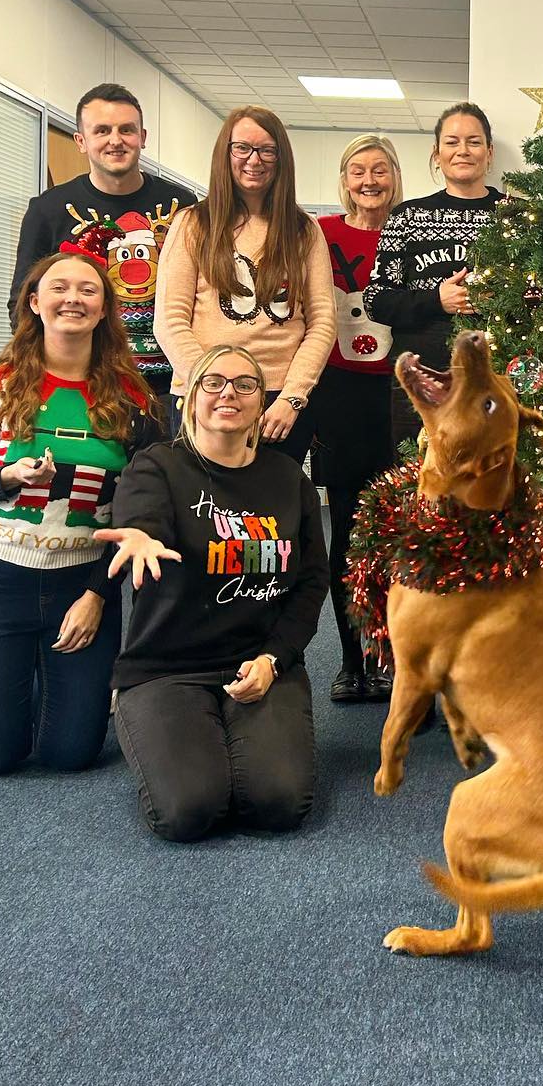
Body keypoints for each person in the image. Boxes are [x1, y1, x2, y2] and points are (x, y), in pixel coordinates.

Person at [0, 252, 159, 776]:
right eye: (59, 288)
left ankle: (29, 679)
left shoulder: (132, 401)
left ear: (105, 310)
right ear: (35, 302)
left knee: (72, 755)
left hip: (80, 582)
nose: (72, 299)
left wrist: (101, 595)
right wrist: (5, 478)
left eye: (88, 290)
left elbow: (145, 512)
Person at [99, 345, 329, 843]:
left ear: (261, 401)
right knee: (189, 812)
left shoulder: (289, 479)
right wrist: (140, 535)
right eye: (214, 382)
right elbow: (144, 519)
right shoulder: (156, 468)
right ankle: (153, 721)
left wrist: (274, 659)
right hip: (168, 669)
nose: (229, 393)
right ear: (190, 397)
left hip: (260, 662)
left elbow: (311, 584)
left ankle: (230, 733)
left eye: (246, 384)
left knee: (280, 804)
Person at [153, 105, 335, 466]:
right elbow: (170, 321)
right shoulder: (192, 224)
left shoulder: (304, 230)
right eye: (243, 148)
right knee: (202, 515)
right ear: (226, 152)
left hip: (278, 407)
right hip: (204, 398)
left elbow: (322, 323)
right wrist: (214, 387)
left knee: (275, 518)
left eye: (268, 150)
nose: (255, 160)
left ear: (281, 159)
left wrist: (293, 397)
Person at [10, 83, 195, 417]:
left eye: (127, 130)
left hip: (168, 390)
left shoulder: (183, 206)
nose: (116, 140)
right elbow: (22, 303)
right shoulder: (47, 209)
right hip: (84, 383)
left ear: (143, 136)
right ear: (81, 141)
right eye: (102, 130)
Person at [310, 134, 402, 703]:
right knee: (344, 530)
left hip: (399, 395)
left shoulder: (413, 231)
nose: (368, 181)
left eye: (380, 171)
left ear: (395, 177)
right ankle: (351, 660)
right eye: (357, 171)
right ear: (344, 180)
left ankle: (393, 657)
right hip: (339, 393)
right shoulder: (320, 236)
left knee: (399, 530)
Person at [361, 101, 504, 457]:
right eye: (452, 142)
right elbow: (376, 299)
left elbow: (539, 298)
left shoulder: (513, 217)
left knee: (488, 484)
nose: (463, 151)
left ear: (489, 152)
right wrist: (436, 301)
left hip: (494, 375)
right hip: (418, 377)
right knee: (420, 489)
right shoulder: (406, 217)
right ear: (437, 154)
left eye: (473, 142)